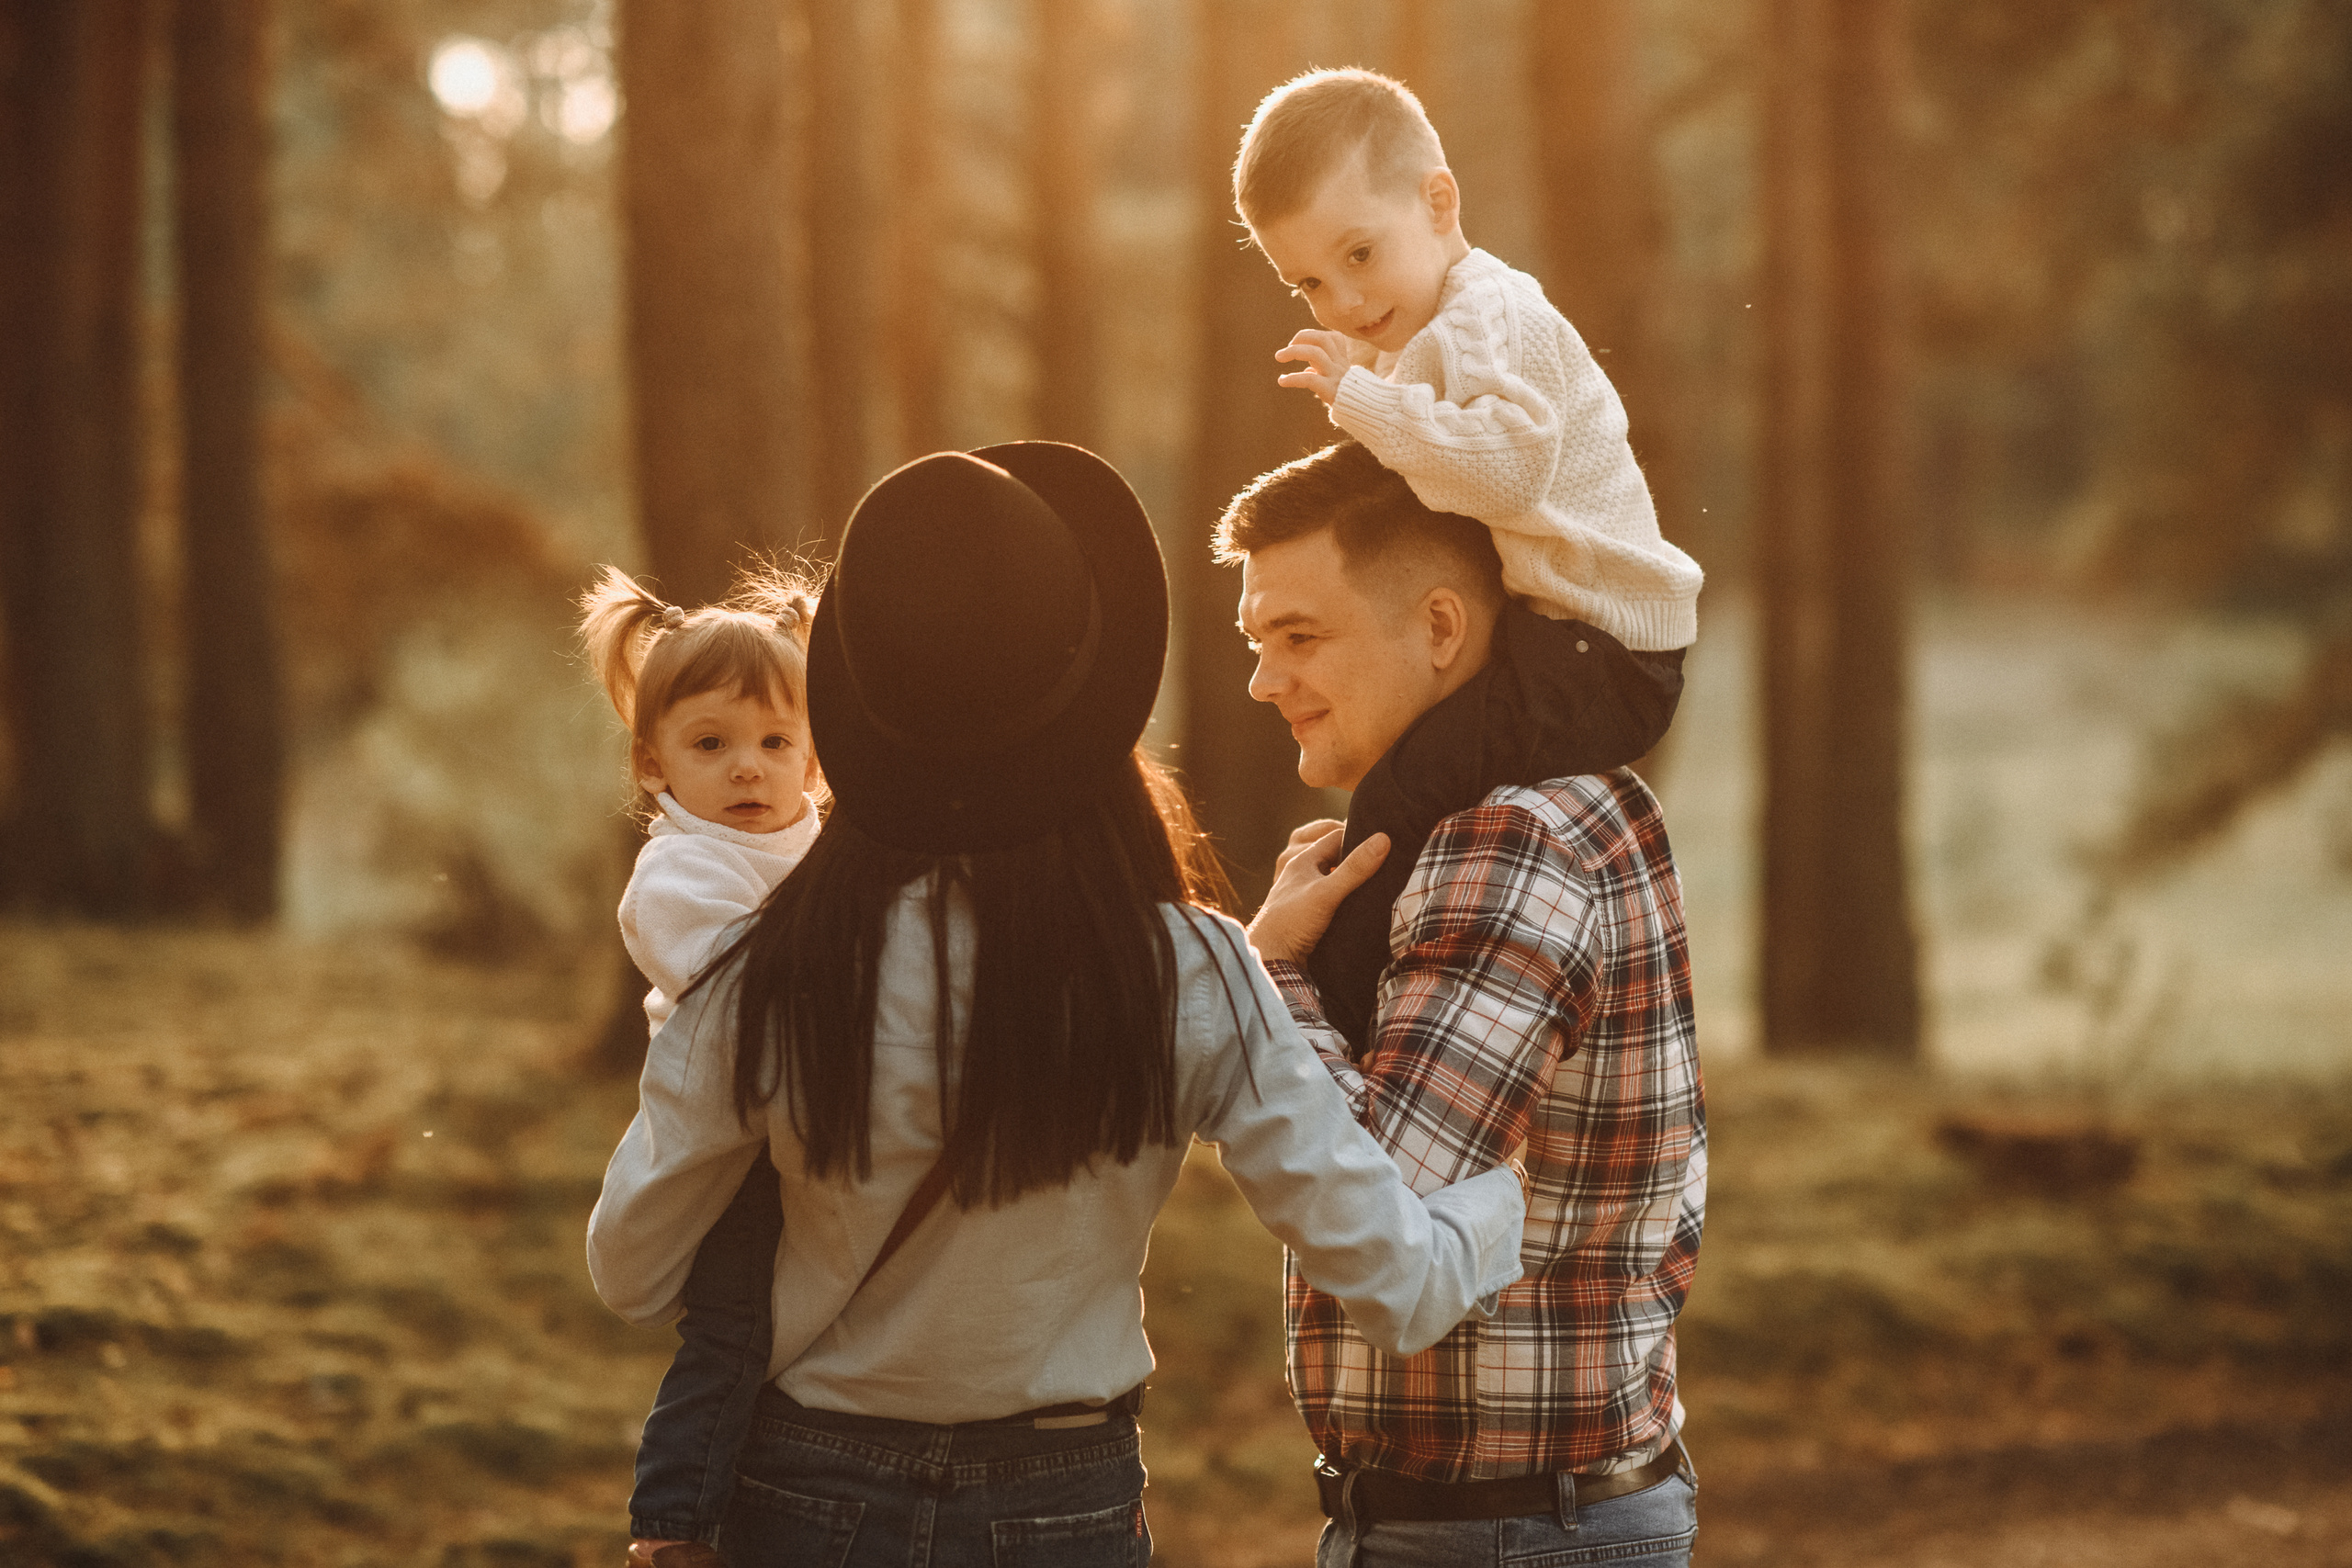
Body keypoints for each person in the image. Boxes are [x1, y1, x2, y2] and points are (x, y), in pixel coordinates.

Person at [586, 443, 1530, 1568]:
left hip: (803, 1498)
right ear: (1087, 696)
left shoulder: (762, 975)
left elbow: (631, 1272)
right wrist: (1514, 1194)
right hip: (1056, 1507)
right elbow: (1401, 1283)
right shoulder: (1187, 968)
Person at [1217, 440, 1706, 1568]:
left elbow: (1386, 1208)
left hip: (1503, 1534)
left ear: (1439, 627)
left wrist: (1265, 972)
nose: (1262, 681)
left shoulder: (1506, 843)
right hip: (1527, 1518)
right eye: (1255, 643)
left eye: (1300, 637)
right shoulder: (1576, 802)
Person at [577, 565, 827, 1562]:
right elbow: (748, 996)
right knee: (731, 1327)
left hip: (810, 1120)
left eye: (775, 743)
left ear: (813, 756)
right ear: (654, 765)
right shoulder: (677, 873)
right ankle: (673, 1521)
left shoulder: (823, 843)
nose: (748, 771)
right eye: (712, 745)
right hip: (732, 1146)